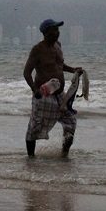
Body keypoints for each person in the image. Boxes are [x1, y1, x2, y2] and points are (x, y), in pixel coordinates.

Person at [23, 19, 83, 158]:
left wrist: (73, 70)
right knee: (34, 127)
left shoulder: (58, 45)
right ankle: (30, 158)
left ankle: (64, 155)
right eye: (54, 30)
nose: (57, 33)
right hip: (43, 94)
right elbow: (27, 72)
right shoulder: (37, 49)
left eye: (58, 30)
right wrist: (34, 89)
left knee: (70, 121)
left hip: (60, 95)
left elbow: (60, 65)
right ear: (45, 33)